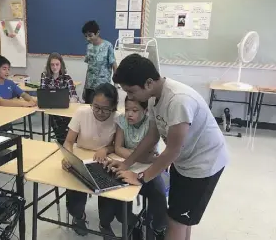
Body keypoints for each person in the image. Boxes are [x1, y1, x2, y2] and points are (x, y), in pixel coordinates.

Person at [108, 54, 228, 240]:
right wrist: (127, 164)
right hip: (184, 162)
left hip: (203, 165)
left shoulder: (178, 101)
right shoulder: (153, 97)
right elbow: (152, 135)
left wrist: (140, 178)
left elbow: (172, 150)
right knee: (179, 219)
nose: (130, 97)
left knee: (176, 222)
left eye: (131, 92)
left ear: (148, 83)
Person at [61, 83, 120, 239]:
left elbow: (117, 146)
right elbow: (68, 141)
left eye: (105, 109)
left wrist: (105, 149)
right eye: (96, 107)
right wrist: (67, 156)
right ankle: (78, 217)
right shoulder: (82, 113)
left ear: (113, 107)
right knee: (75, 195)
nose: (100, 112)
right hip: (81, 159)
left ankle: (105, 224)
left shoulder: (118, 118)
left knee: (108, 194)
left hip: (104, 162)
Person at [114, 96, 167, 240]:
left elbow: (151, 155)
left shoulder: (151, 123)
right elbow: (118, 148)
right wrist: (142, 156)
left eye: (135, 110)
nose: (129, 114)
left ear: (145, 110)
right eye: (127, 110)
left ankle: (158, 227)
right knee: (119, 195)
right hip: (128, 164)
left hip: (149, 168)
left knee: (159, 192)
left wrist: (143, 157)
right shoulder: (121, 120)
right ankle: (135, 223)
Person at [40, 52, 79, 144]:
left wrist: (68, 101)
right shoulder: (45, 76)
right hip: (53, 111)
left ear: (61, 65)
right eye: (52, 65)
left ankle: (67, 141)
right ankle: (63, 142)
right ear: (49, 66)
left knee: (68, 125)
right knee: (57, 124)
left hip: (66, 110)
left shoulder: (67, 77)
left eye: (57, 64)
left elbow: (74, 96)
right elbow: (42, 93)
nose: (55, 67)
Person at [82, 20, 117, 104]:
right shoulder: (89, 47)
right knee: (88, 111)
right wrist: (84, 87)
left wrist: (116, 85)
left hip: (103, 86)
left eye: (90, 35)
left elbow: (114, 65)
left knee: (101, 109)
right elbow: (89, 68)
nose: (88, 38)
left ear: (97, 33)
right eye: (86, 36)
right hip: (90, 87)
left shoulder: (108, 45)